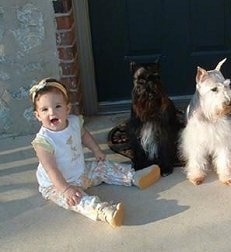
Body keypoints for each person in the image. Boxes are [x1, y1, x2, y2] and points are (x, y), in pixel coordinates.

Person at [30, 78, 161, 227]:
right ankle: (104, 211)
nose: (52, 112)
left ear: (67, 109)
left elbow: (84, 135)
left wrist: (96, 150)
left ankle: (133, 177)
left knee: (103, 166)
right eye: (45, 109)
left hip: (81, 171)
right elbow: (51, 170)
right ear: (38, 115)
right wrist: (66, 189)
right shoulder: (43, 142)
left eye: (57, 106)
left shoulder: (73, 122)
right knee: (77, 200)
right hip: (56, 184)